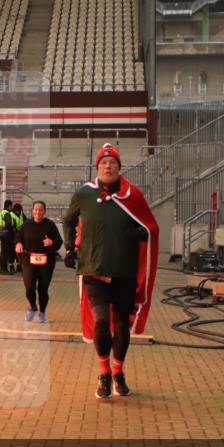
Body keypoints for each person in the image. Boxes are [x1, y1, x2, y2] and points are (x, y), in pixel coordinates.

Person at [63, 143, 159, 401]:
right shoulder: (84, 194)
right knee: (102, 321)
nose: (108, 166)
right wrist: (70, 247)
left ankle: (118, 372)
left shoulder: (133, 195)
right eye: (104, 162)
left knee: (121, 327)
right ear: (97, 167)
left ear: (119, 167)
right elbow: (68, 220)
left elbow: (151, 226)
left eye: (112, 162)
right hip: (94, 269)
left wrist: (141, 232)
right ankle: (104, 373)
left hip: (124, 271)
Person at [15, 200, 63, 323]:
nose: (38, 212)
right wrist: (18, 243)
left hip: (46, 262)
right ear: (32, 211)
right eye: (36, 209)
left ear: (44, 211)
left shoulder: (50, 225)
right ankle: (32, 307)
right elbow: (18, 237)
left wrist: (51, 242)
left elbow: (59, 241)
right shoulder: (26, 224)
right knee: (29, 288)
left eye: (41, 210)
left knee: (42, 289)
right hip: (29, 260)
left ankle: (42, 312)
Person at [0, 199, 16, 275]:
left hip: (1, 233)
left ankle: (3, 269)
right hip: (6, 234)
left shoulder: (1, 213)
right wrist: (13, 231)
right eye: (11, 206)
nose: (12, 208)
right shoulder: (7, 213)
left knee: (4, 252)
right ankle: (4, 270)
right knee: (5, 252)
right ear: (9, 206)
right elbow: (8, 224)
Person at [10, 202, 25, 273]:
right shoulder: (11, 215)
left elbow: (26, 222)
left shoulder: (22, 214)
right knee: (12, 252)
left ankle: (19, 266)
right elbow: (10, 225)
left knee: (20, 251)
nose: (18, 212)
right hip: (13, 235)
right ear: (14, 210)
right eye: (17, 211)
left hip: (21, 235)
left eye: (19, 211)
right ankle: (11, 266)